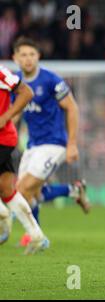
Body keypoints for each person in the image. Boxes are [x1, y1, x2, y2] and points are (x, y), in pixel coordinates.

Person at [10, 37, 90, 246]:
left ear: (39, 57)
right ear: (15, 58)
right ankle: (73, 190)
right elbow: (14, 115)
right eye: (23, 55)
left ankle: (36, 236)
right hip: (32, 145)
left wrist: (72, 143)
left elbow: (72, 107)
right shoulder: (16, 83)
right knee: (32, 194)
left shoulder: (51, 80)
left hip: (54, 144)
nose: (28, 59)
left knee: (22, 189)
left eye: (32, 54)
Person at [0, 64, 48, 254]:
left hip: (3, 138)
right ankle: (36, 235)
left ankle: (3, 215)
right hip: (6, 139)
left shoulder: (1, 73)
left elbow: (26, 92)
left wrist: (6, 116)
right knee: (6, 189)